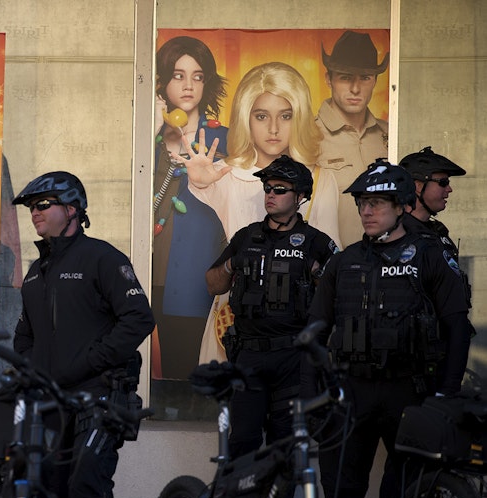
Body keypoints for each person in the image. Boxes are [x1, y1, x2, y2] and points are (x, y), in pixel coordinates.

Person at [12, 171, 155, 498]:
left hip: (99, 397)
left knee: (88, 481)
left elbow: (138, 318)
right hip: (53, 402)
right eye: (30, 207)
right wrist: (31, 373)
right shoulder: (37, 272)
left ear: (72, 209)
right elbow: (25, 336)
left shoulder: (101, 258)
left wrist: (90, 362)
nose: (34, 213)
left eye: (43, 205)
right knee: (54, 486)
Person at [307, 159, 471, 498]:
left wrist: (444, 397)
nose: (367, 211)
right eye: (362, 203)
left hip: (409, 394)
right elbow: (313, 335)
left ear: (400, 205)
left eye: (377, 203)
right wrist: (311, 399)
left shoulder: (429, 257)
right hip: (352, 395)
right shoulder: (343, 262)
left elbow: (457, 328)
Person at [182, 61, 342, 363]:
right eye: (261, 116)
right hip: (235, 313)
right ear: (246, 118)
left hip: (298, 317)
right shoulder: (227, 174)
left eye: (286, 116)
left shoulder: (321, 178)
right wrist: (201, 181)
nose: (273, 128)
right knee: (235, 404)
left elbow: (332, 261)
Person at [205, 156, 337, 475]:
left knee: (286, 445)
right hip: (249, 354)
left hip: (294, 359)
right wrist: (232, 264)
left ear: (300, 197)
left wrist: (319, 274)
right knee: (243, 442)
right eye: (267, 188)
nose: (270, 194)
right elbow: (212, 284)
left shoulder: (317, 243)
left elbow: (340, 299)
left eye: (280, 189)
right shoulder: (246, 237)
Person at [151, 35, 229, 380]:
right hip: (149, 271)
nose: (188, 85)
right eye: (178, 75)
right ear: (161, 82)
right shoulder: (145, 141)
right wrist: (151, 130)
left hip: (198, 274)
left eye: (197, 76)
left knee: (195, 374)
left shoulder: (224, 139)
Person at [315, 30, 390, 246]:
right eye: (346, 78)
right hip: (333, 269)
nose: (356, 88)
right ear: (328, 79)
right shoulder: (308, 136)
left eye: (365, 78)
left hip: (386, 266)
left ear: (375, 80)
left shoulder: (390, 135)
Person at [399, 146, 471, 305]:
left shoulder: (437, 232)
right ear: (418, 186)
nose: (449, 189)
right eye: (443, 183)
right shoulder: (396, 234)